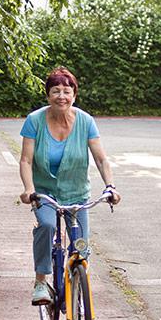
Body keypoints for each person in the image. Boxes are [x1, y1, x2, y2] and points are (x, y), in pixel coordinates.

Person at [18, 66, 121, 306]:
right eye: (56, 91)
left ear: (74, 95)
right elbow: (26, 160)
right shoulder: (35, 121)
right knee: (46, 226)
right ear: (48, 96)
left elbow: (101, 158)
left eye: (66, 91)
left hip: (77, 194)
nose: (61, 96)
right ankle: (41, 281)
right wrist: (28, 188)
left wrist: (110, 186)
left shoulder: (85, 121)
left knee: (81, 248)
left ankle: (73, 283)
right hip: (44, 192)